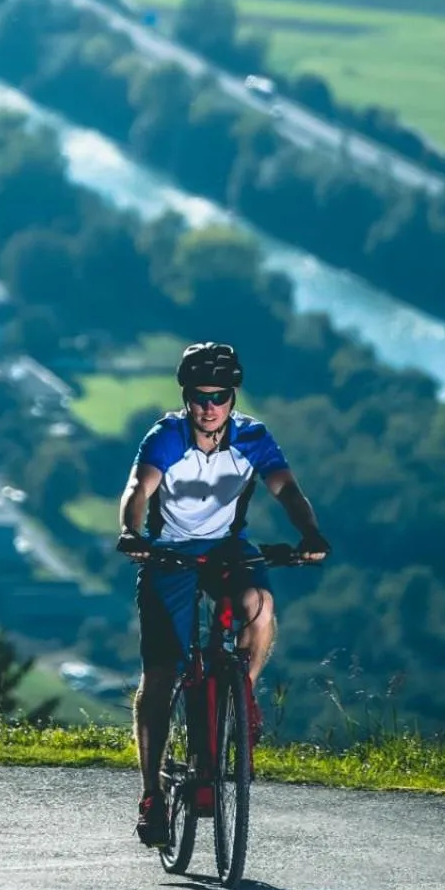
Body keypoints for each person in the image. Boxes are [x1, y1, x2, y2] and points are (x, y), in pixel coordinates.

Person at [116, 341, 329, 848]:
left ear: (233, 398)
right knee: (162, 673)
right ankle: (152, 795)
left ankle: (242, 692)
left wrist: (310, 534)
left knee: (261, 607)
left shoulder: (253, 437)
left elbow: (287, 490)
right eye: (199, 395)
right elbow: (138, 490)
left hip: (228, 547)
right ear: (187, 396)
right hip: (168, 553)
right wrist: (132, 533)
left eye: (219, 396)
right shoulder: (167, 436)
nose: (208, 406)